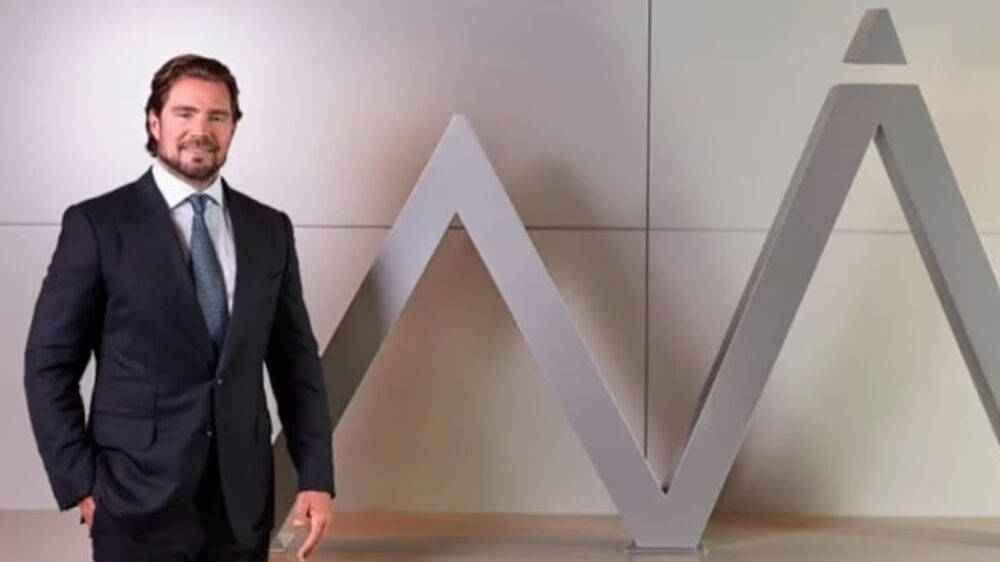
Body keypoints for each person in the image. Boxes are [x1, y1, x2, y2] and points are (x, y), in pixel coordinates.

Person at [23, 53, 334, 561]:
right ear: (154, 122)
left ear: (233, 128)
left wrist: (315, 477)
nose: (200, 130)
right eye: (185, 113)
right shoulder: (97, 225)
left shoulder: (269, 229)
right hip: (132, 500)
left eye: (217, 116)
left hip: (242, 502)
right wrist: (81, 483)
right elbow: (48, 366)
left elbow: (297, 366)